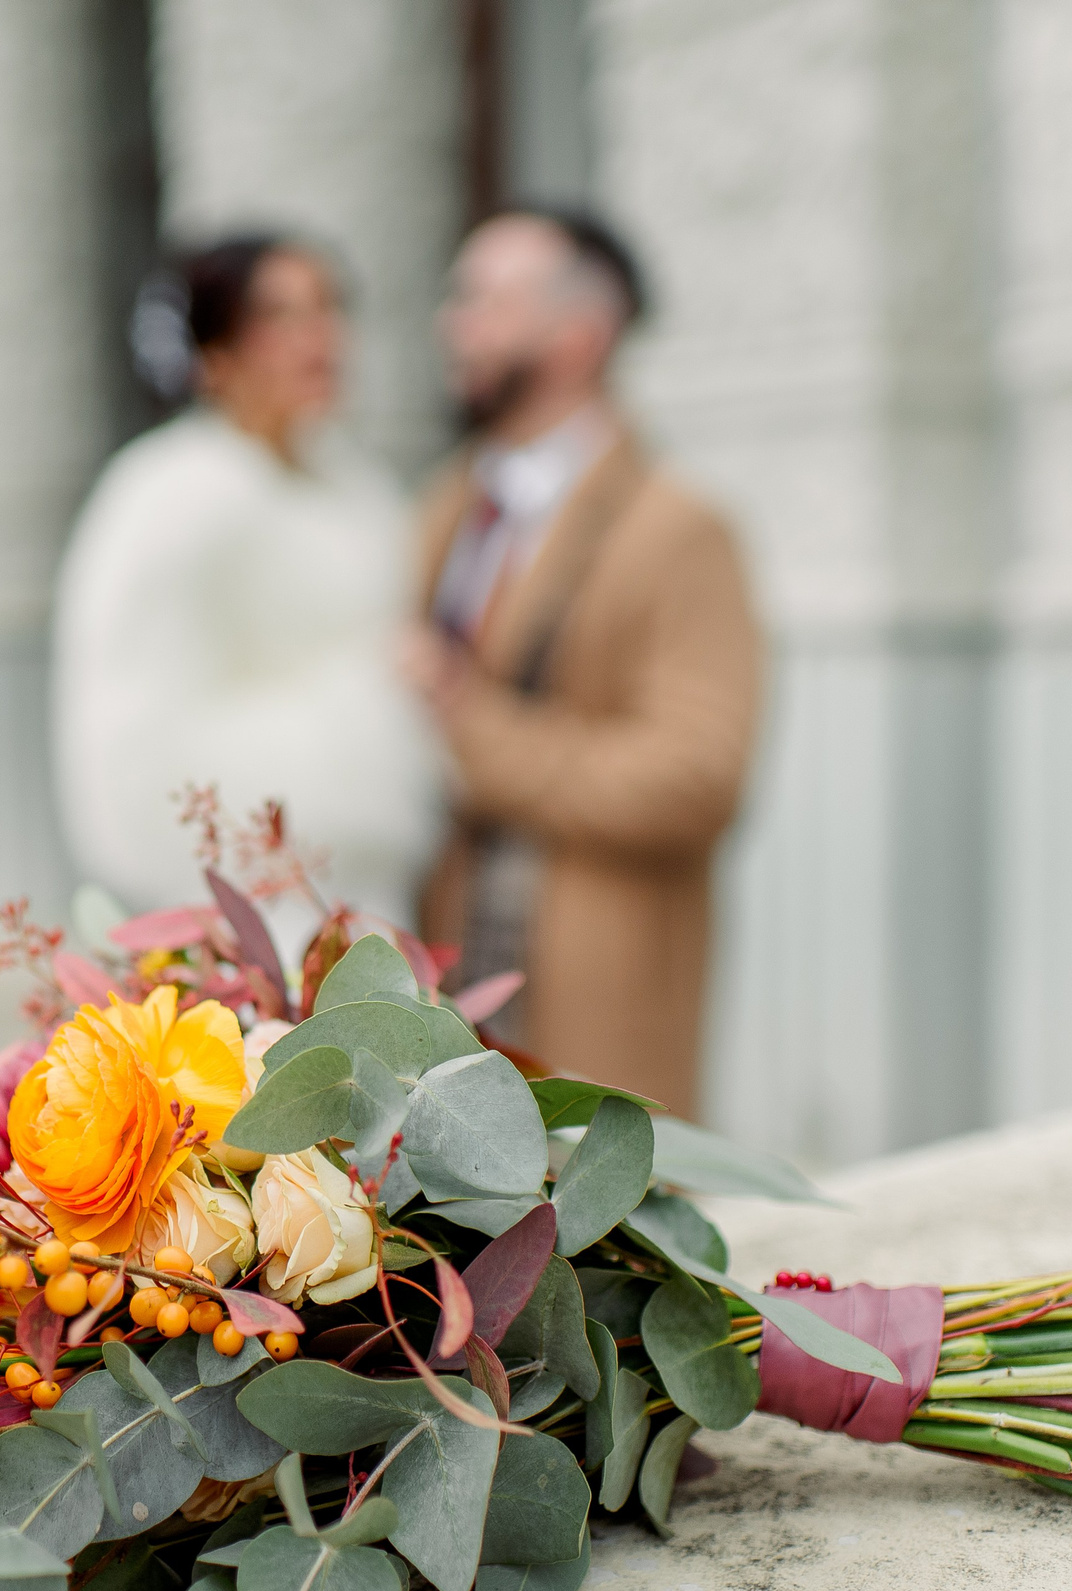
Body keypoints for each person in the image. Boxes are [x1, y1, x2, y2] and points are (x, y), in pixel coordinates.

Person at [402, 207, 762, 1118]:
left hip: (591, 1019)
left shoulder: (680, 529)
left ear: (580, 333)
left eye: (483, 299)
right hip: (451, 1011)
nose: (453, 323)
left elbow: (695, 777)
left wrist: (471, 727)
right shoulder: (449, 506)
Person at [52, 236, 441, 938]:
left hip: (369, 882)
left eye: (328, 308)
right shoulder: (168, 499)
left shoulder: (362, 490)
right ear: (216, 351)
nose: (317, 338)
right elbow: (131, 727)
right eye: (279, 315)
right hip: (248, 895)